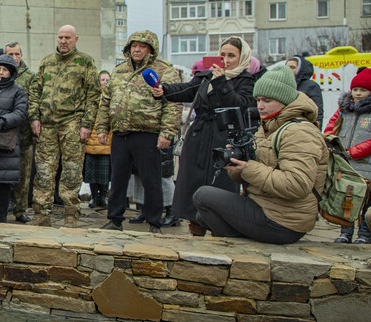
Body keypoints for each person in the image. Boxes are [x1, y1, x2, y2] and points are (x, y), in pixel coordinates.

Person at [192, 66, 328, 244]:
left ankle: (236, 246)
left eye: (267, 100)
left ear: (284, 100)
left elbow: (297, 185)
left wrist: (248, 168)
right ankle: (238, 244)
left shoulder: (299, 132)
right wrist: (237, 162)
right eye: (258, 100)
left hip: (285, 221)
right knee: (201, 216)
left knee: (203, 195)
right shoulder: (269, 126)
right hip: (265, 206)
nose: (260, 106)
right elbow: (249, 176)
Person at [151, 36, 256, 235]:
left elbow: (239, 105)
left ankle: (220, 227)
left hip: (225, 140)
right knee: (192, 181)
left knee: (222, 185)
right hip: (199, 138)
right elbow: (187, 90)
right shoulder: (207, 75)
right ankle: (195, 225)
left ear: (242, 58)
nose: (225, 59)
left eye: (231, 55)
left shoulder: (246, 81)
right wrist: (163, 90)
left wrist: (221, 82)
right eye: (222, 54)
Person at [96, 31, 181, 234]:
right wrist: (102, 127)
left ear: (151, 49)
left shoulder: (163, 70)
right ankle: (115, 219)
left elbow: (173, 104)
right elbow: (105, 101)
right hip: (120, 133)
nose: (137, 49)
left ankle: (154, 222)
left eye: (142, 46)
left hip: (147, 134)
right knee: (117, 179)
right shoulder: (119, 71)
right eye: (133, 46)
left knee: (152, 180)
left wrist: (167, 133)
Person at [28, 25, 101, 227]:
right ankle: (41, 213)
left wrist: (87, 124)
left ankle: (70, 214)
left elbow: (93, 95)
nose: (63, 41)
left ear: (76, 39)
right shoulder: (47, 62)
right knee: (43, 170)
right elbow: (35, 91)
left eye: (67, 37)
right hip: (47, 125)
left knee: (71, 170)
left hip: (73, 123)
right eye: (60, 37)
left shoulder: (85, 62)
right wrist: (34, 117)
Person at [324, 68, 371, 244]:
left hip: (366, 164)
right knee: (346, 198)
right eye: (355, 89)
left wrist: (353, 152)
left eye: (363, 90)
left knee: (366, 202)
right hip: (345, 162)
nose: (358, 93)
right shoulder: (344, 108)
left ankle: (365, 235)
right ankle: (345, 232)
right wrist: (330, 141)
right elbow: (331, 126)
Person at [0, 54, 28, 223]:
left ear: (11, 73)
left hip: (6, 140)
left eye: (5, 70)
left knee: (3, 181)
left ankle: (2, 216)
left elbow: (20, 112)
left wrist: (2, 121)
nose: (1, 73)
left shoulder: (19, 90)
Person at [4, 42, 36, 223]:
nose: (14, 58)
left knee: (24, 174)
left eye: (17, 54)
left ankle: (20, 209)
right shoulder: (0, 72)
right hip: (3, 134)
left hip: (23, 134)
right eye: (10, 54)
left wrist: (34, 123)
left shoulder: (30, 76)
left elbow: (35, 102)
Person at [84, 70, 112, 209]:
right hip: (91, 140)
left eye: (107, 80)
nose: (104, 83)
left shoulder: (112, 98)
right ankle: (94, 196)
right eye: (102, 80)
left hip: (106, 142)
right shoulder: (92, 98)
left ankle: (103, 197)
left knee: (104, 174)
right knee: (92, 174)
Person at [286, 55, 324, 126]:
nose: (288, 70)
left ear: (300, 69)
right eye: (286, 67)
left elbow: (317, 111)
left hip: (304, 126)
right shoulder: (283, 85)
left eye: (292, 67)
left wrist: (316, 128)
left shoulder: (311, 86)